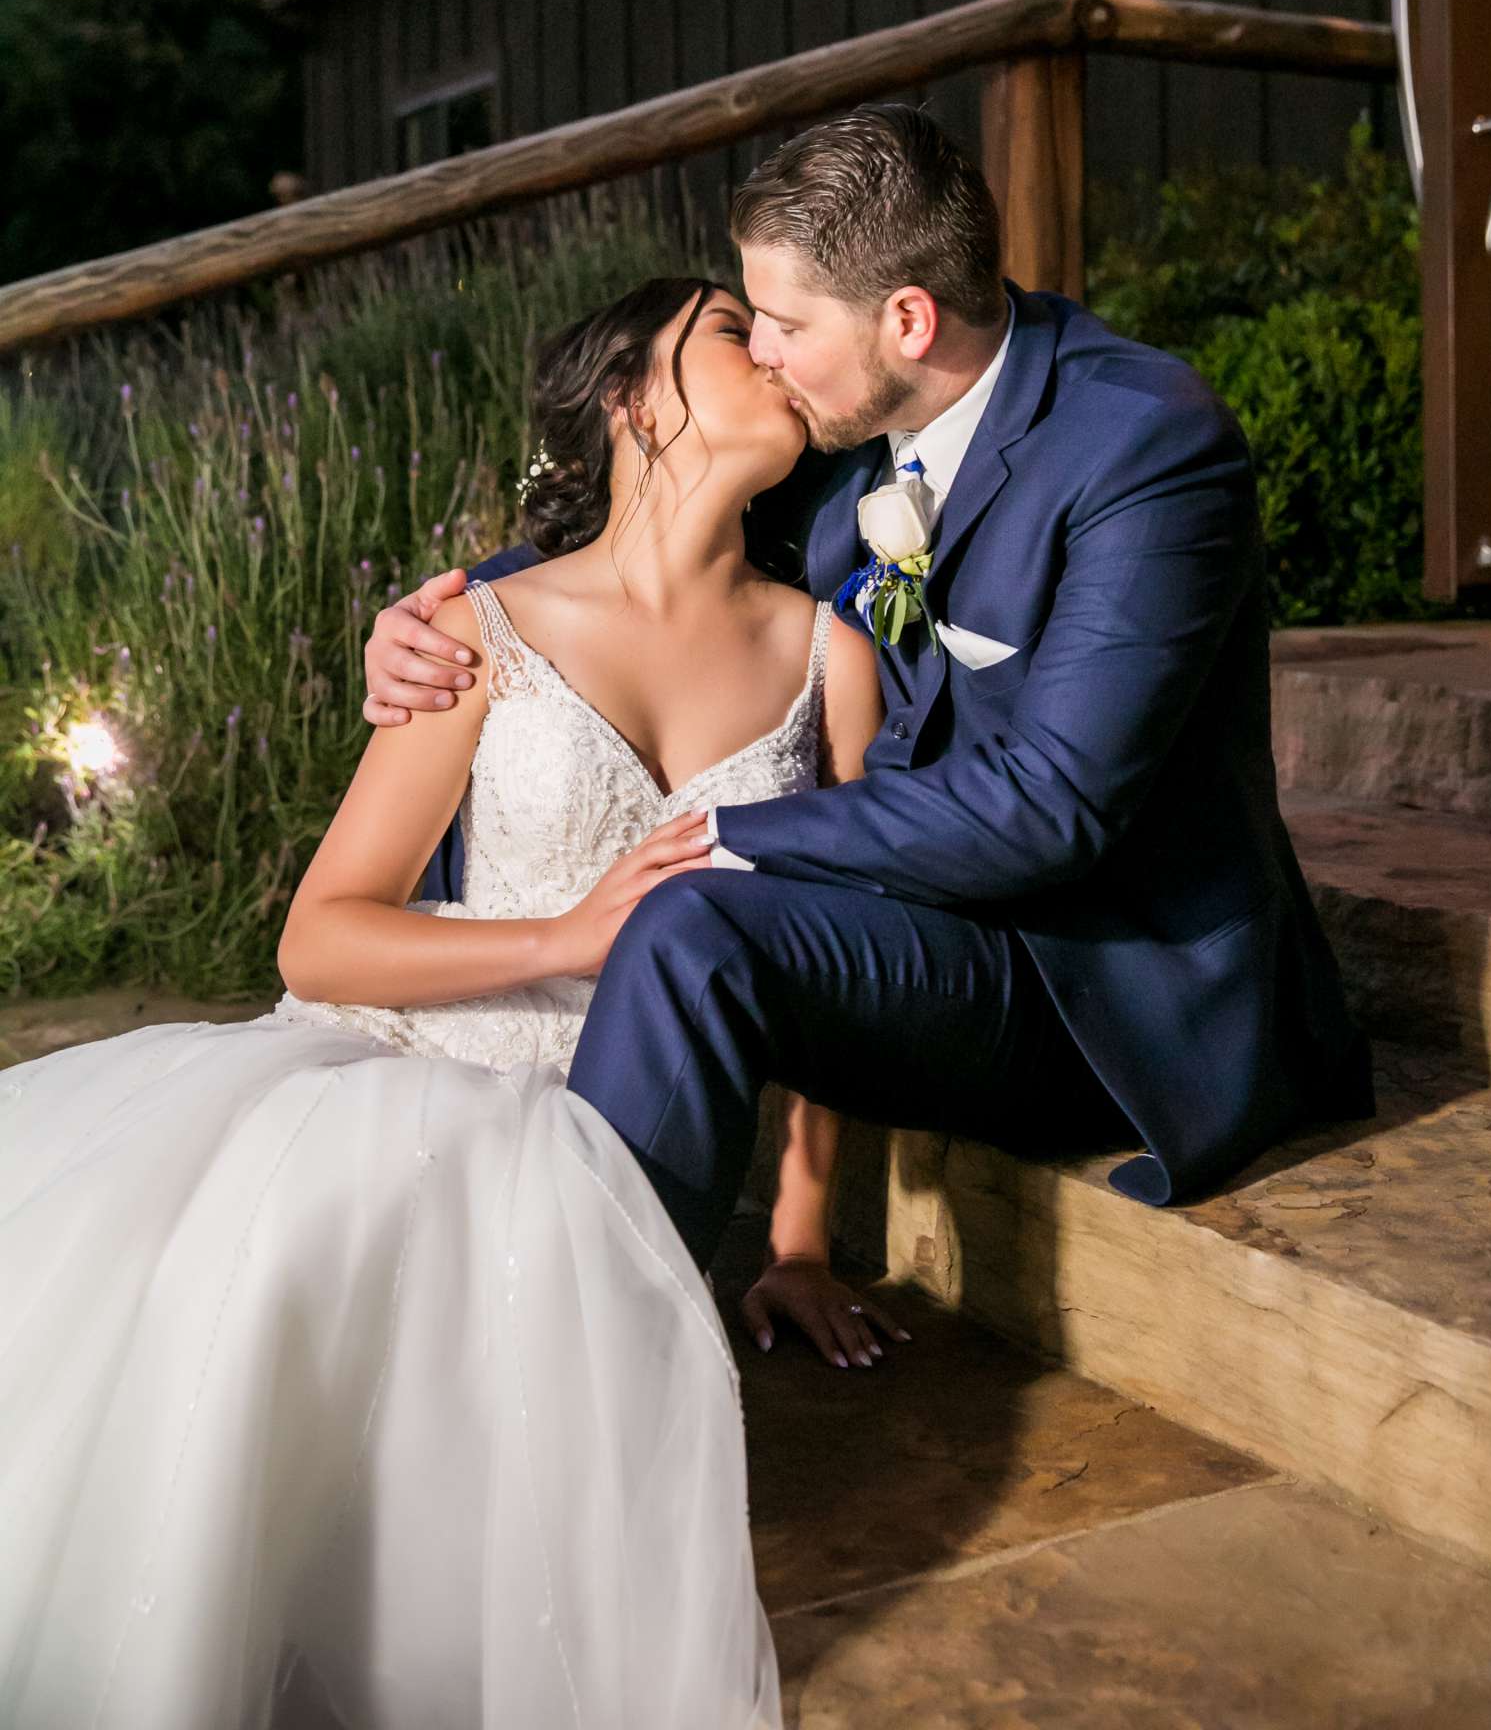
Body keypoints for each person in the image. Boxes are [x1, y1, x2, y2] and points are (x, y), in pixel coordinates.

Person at [0, 272, 911, 1730]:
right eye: (733, 329)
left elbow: (839, 970)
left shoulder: (831, 662)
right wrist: (565, 931)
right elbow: (319, 939)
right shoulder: (475, 629)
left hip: (616, 1126)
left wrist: (799, 1240)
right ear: (636, 401)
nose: (776, 349)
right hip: (415, 1064)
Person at [365, 104, 1375, 1278]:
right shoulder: (852, 430)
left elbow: (1053, 810)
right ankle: (576, 1340)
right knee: (696, 930)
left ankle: (590, 1351)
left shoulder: (1143, 448)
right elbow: (653, 541)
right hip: (911, 933)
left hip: (1091, 983)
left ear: (906, 318)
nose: (765, 359)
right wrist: (444, 623)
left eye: (783, 324)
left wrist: (721, 839)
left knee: (691, 915)